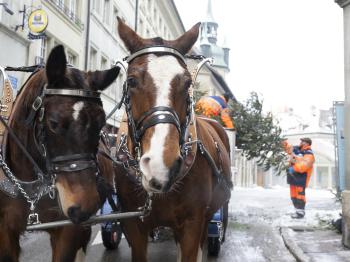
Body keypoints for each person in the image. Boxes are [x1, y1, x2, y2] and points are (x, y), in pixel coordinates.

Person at [282, 137, 315, 219]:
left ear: (307, 143)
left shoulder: (309, 153)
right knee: (293, 195)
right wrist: (284, 143)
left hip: (301, 177)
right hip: (293, 176)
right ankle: (297, 211)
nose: (301, 142)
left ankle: (300, 213)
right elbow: (288, 149)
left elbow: (305, 165)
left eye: (303, 141)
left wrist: (294, 168)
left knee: (300, 195)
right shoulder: (297, 149)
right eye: (301, 141)